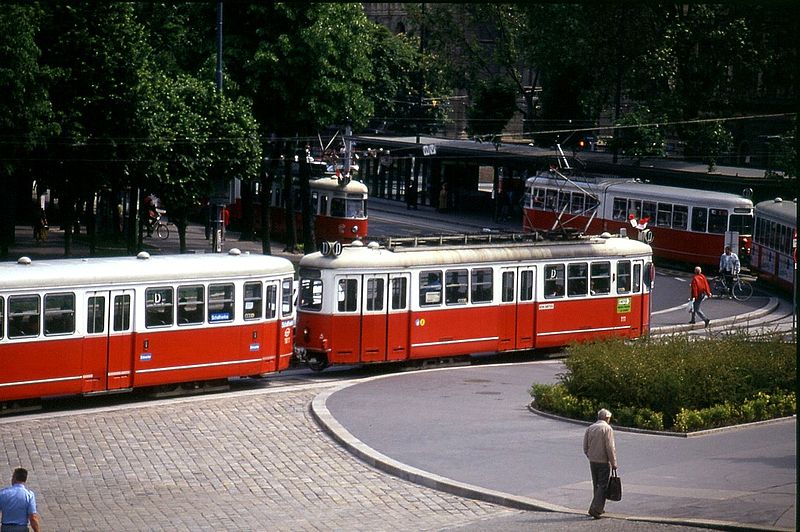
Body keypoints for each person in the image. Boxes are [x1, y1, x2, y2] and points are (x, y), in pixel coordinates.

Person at [583, 408, 618, 519]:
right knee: (603, 485)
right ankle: (596, 509)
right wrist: (613, 463)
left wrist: (590, 455)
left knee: (596, 484)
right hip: (603, 461)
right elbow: (610, 447)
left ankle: (597, 506)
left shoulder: (590, 428)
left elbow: (585, 446)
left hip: (593, 461)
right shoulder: (607, 429)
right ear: (607, 418)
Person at [0, 468, 40, 532]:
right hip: (22, 528)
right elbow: (33, 517)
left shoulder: (3, 493)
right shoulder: (29, 495)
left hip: (6, 528)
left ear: (14, 478)